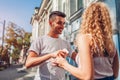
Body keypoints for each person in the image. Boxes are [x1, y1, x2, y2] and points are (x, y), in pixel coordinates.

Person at [53, 2, 119, 80]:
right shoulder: (110, 42)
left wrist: (63, 64)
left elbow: (87, 76)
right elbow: (115, 74)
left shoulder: (85, 38)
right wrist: (74, 55)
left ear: (87, 18)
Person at [25, 11, 72, 80]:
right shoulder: (39, 40)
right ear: (50, 23)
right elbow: (28, 63)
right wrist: (50, 55)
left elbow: (77, 57)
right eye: (59, 23)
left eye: (63, 23)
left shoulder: (66, 43)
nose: (62, 26)